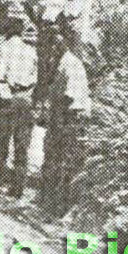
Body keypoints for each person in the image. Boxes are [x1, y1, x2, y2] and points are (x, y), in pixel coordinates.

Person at [42, 18, 91, 216]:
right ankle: (52, 204)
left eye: (56, 43)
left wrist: (54, 120)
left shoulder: (70, 64)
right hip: (64, 117)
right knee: (56, 159)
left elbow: (67, 98)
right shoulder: (63, 62)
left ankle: (60, 207)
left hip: (69, 119)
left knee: (62, 161)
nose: (53, 47)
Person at [0, 4, 38, 197]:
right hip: (26, 99)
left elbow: (0, 76)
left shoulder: (3, 48)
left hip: (8, 98)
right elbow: (36, 77)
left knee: (2, 142)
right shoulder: (31, 50)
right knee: (22, 145)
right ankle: (17, 188)